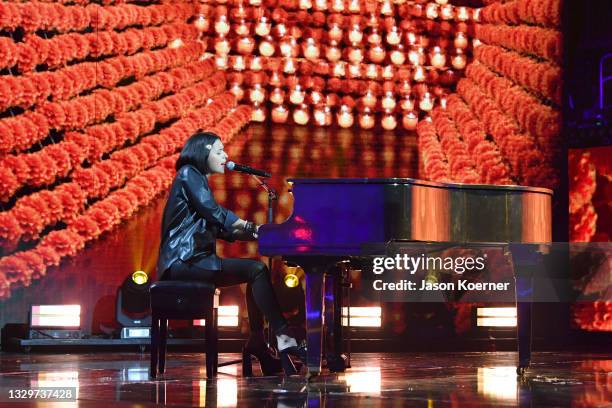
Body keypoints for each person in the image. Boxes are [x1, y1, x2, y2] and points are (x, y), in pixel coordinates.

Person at [157, 131, 303, 375]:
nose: (225, 155)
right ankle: (282, 336)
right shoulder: (188, 174)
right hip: (183, 261)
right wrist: (251, 227)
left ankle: (259, 340)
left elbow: (217, 227)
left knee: (255, 272)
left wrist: (261, 233)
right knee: (257, 270)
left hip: (196, 260)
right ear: (203, 152)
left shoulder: (197, 181)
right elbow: (214, 212)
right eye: (219, 151)